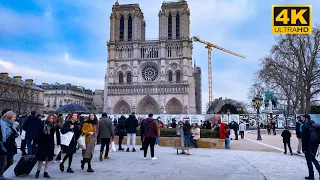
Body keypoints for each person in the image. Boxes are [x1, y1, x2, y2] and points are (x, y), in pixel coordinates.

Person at [35, 114, 61, 178]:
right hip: (42, 143)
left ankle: (46, 172)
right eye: (50, 118)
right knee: (41, 158)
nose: (51, 119)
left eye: (53, 118)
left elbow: (58, 135)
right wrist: (37, 142)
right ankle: (38, 171)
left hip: (51, 143)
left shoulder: (55, 126)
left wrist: (58, 143)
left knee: (49, 159)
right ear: (48, 118)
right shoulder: (43, 124)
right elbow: (39, 133)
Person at [0, 110, 18, 180]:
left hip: (11, 147)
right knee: (3, 164)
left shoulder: (11, 125)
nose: (15, 118)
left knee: (10, 162)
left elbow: (14, 134)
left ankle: (1, 174)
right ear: (9, 117)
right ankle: (0, 176)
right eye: (13, 117)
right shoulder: (2, 124)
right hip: (3, 147)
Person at [302, 114, 320, 179]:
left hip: (308, 145)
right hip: (315, 144)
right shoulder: (315, 125)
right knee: (313, 159)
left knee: (309, 161)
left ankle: (311, 175)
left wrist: (303, 148)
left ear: (306, 119)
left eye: (303, 118)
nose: (302, 119)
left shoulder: (305, 126)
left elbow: (304, 138)